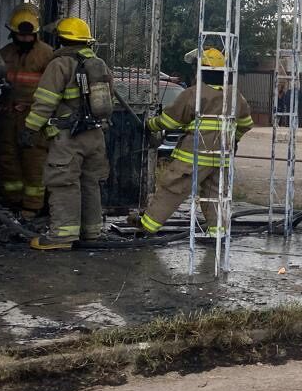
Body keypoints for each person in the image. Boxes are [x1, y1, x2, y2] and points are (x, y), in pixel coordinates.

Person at [133, 48, 254, 235]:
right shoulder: (235, 95)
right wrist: (233, 140)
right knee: (215, 195)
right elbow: (246, 123)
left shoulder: (194, 94)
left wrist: (150, 124)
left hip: (194, 156)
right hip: (221, 157)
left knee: (172, 188)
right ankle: (218, 234)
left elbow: (170, 121)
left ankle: (147, 227)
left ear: (200, 71)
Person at [21, 17, 112, 250]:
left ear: (61, 39)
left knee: (63, 182)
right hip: (95, 134)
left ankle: (61, 236)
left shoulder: (60, 64)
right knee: (90, 182)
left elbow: (45, 101)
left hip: (69, 136)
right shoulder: (99, 63)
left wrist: (30, 128)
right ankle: (91, 232)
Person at [0, 3, 55, 220]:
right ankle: (13, 201)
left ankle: (32, 206)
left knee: (34, 160)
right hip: (8, 116)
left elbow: (54, 89)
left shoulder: (47, 55)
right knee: (6, 158)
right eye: (21, 36)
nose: (26, 40)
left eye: (30, 37)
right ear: (13, 33)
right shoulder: (4, 54)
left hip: (34, 118)